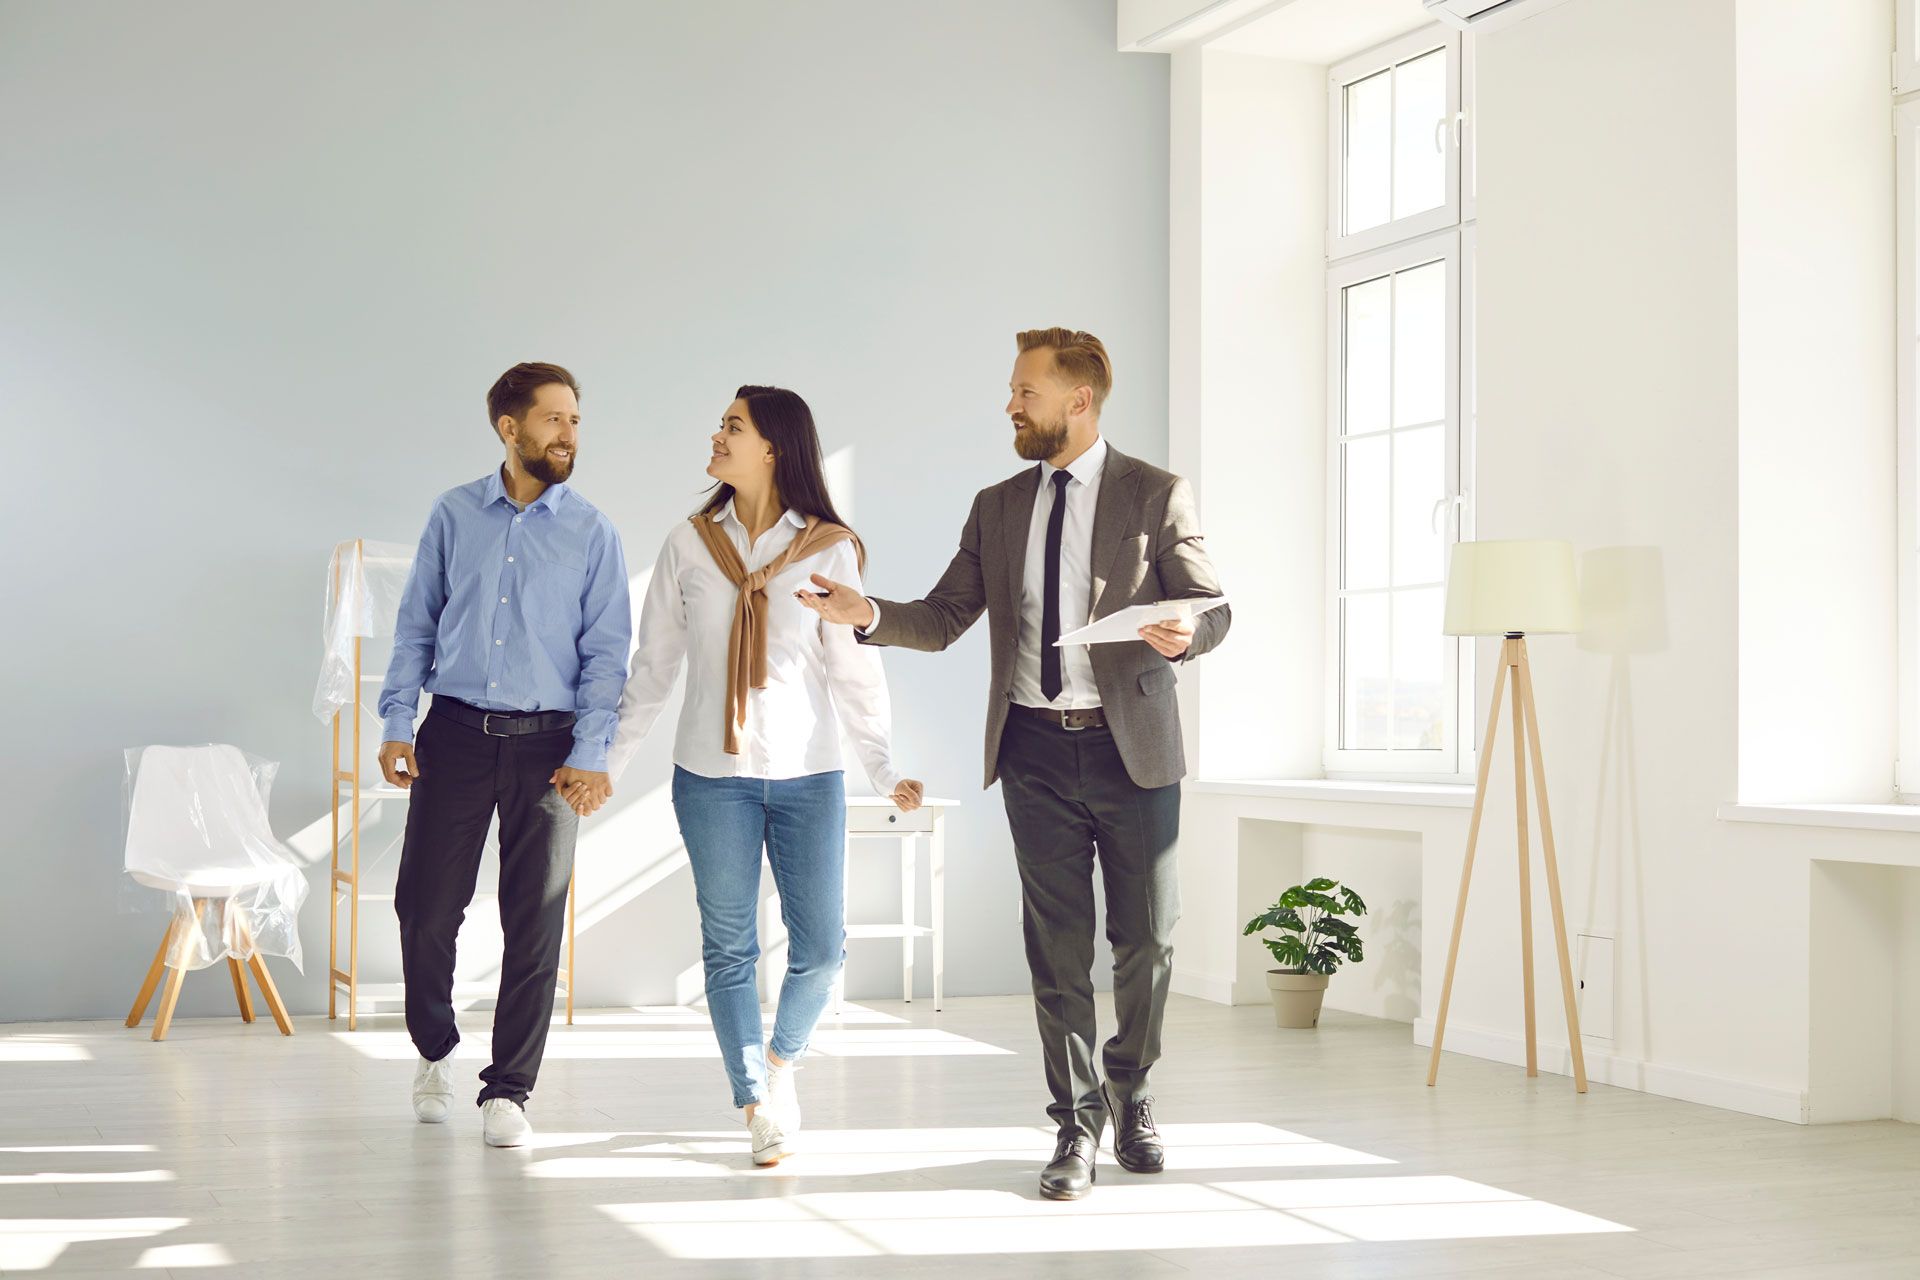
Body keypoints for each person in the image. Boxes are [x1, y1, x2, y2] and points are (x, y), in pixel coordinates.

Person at [801, 329, 1229, 1200]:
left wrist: (1188, 634)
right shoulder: (997, 505)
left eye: (1025, 392)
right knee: (1056, 947)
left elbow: (1211, 606)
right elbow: (946, 613)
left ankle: (1131, 1088)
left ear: (1079, 401)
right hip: (1032, 748)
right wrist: (866, 613)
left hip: (1132, 748)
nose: (1011, 405)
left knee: (1146, 939)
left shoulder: (1156, 495)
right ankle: (1074, 1124)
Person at [606, 385, 921, 1167]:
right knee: (729, 947)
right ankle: (755, 1102)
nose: (716, 435)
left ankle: (781, 1065)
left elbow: (852, 670)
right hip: (711, 776)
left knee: (822, 949)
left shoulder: (827, 549)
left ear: (774, 448)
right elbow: (652, 670)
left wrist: (884, 768)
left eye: (733, 426)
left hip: (809, 773)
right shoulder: (689, 544)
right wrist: (602, 765)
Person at [377, 362, 631, 1148]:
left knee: (535, 922)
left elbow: (608, 655)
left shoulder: (593, 531)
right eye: (554, 420)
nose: (568, 434)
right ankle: (434, 1050)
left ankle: (509, 1090)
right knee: (424, 909)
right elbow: (417, 624)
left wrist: (591, 750)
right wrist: (394, 718)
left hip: (551, 746)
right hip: (452, 734)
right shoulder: (454, 514)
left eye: (576, 421)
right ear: (509, 428)